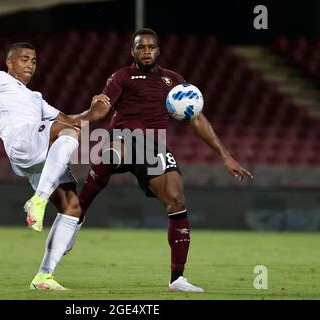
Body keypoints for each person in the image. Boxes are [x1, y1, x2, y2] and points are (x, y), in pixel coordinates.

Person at [69, 28, 253, 292]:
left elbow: (197, 118)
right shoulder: (122, 76)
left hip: (152, 145)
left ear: (158, 50)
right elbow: (104, 106)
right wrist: (87, 115)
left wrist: (225, 156)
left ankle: (177, 279)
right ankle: (78, 215)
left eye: (151, 47)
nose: (146, 52)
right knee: (108, 152)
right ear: (132, 51)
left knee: (176, 199)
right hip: (122, 136)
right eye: (141, 47)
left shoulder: (174, 81)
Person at [0, 42, 109, 291]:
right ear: (10, 62)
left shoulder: (35, 98)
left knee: (73, 208)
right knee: (70, 134)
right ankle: (39, 199)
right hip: (21, 139)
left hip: (37, 155)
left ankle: (44, 277)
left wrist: (94, 111)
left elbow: (69, 120)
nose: (30, 64)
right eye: (24, 59)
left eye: (34, 61)